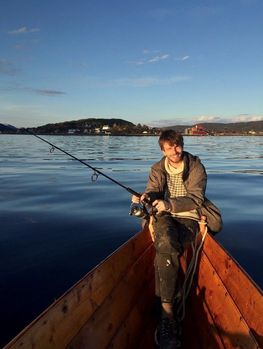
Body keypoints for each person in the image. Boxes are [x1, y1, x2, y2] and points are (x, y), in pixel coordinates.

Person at [132, 129, 209, 349]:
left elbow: (196, 198)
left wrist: (170, 204)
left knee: (167, 247)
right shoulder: (157, 168)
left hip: (188, 218)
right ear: (163, 150)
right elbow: (154, 190)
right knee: (166, 241)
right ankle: (168, 313)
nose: (175, 151)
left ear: (182, 145)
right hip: (163, 215)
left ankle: (166, 315)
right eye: (169, 148)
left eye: (178, 146)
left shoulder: (196, 167)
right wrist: (147, 197)